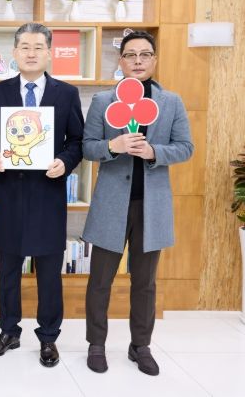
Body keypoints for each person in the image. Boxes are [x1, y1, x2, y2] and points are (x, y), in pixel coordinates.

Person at [82, 30, 193, 376]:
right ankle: (96, 344)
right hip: (111, 204)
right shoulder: (103, 101)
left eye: (145, 55)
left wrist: (153, 152)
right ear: (121, 61)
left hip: (152, 205)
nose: (138, 61)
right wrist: (111, 147)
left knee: (145, 282)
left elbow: (185, 147)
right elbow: (87, 146)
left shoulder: (171, 102)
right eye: (131, 55)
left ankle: (140, 346)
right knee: (100, 280)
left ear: (154, 60)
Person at [0, 22, 84, 367]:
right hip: (9, 194)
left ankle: (49, 337)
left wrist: (64, 162)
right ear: (14, 52)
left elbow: (77, 141)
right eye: (25, 46)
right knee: (8, 270)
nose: (31, 53)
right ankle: (8, 331)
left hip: (48, 194)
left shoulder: (66, 93)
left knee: (49, 274)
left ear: (49, 53)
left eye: (38, 47)